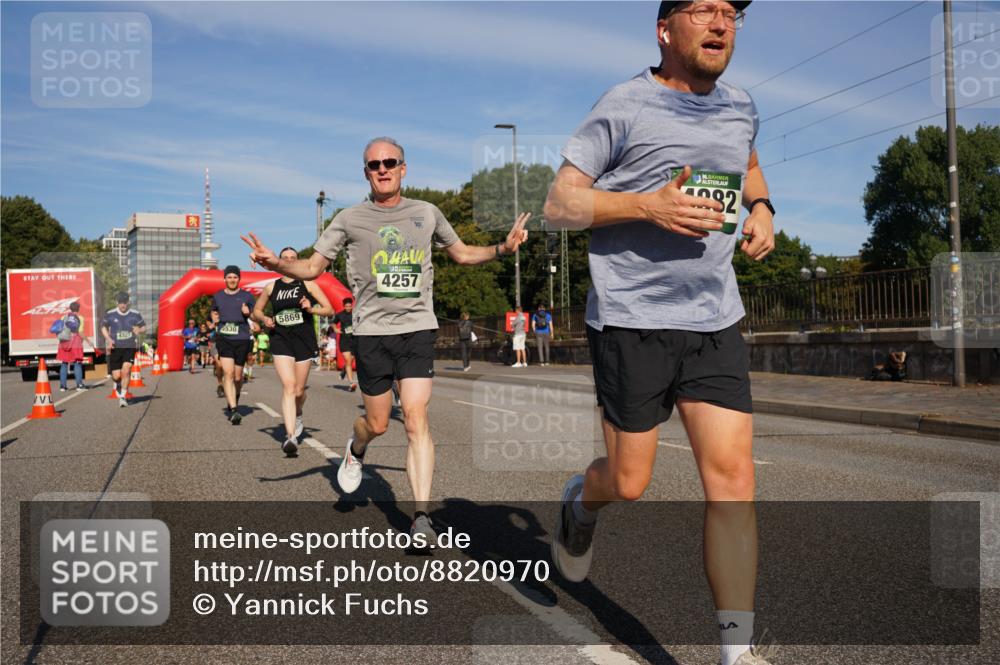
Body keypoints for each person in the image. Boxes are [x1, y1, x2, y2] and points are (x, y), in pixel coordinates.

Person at [543, 3, 777, 665]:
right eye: (703, 9)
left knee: (733, 477)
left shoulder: (740, 106)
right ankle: (580, 503)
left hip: (713, 319)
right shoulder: (624, 104)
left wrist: (761, 208)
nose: (721, 22)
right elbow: (560, 203)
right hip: (631, 320)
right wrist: (648, 203)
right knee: (630, 478)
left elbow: (749, 162)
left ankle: (737, 652)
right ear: (664, 28)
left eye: (731, 13)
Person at [242, 136, 529, 543]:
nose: (382, 169)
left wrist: (503, 247)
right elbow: (312, 266)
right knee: (376, 423)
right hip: (371, 334)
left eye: (389, 162)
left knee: (415, 418)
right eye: (374, 164)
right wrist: (276, 262)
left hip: (416, 329)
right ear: (366, 173)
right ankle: (356, 448)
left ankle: (422, 519)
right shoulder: (348, 218)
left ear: (403, 168)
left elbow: (462, 254)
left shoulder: (427, 213)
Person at [253, 246, 335, 455]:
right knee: (288, 387)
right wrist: (265, 319)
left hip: (303, 339)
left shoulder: (308, 283)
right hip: (281, 339)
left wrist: (310, 308)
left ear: (298, 262)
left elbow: (330, 309)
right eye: (285, 258)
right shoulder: (272, 287)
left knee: (299, 391)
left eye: (293, 258)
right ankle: (290, 437)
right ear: (278, 262)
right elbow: (256, 311)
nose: (289, 261)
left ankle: (298, 414)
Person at [211, 265, 257, 425]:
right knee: (228, 373)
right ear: (224, 279)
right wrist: (214, 317)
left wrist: (248, 313)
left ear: (239, 279)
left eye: (235, 277)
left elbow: (254, 314)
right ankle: (233, 409)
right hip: (224, 337)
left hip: (242, 338)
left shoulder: (247, 296)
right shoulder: (218, 296)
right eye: (229, 277)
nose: (232, 280)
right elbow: (213, 311)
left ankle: (234, 399)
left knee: (238, 377)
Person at [101, 292, 146, 407]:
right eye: (121, 303)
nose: (123, 305)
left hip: (129, 346)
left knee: (126, 370)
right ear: (117, 302)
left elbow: (144, 327)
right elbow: (103, 328)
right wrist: (109, 339)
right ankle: (119, 385)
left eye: (125, 303)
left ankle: (123, 397)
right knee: (116, 376)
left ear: (128, 302)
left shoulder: (135, 314)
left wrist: (139, 330)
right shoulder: (110, 314)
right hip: (116, 347)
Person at [56, 301, 86, 391]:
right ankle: (79, 385)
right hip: (75, 341)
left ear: (70, 308)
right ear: (78, 308)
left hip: (64, 341)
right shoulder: (80, 318)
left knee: (64, 363)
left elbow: (60, 329)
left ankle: (62, 386)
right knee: (77, 363)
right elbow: (80, 332)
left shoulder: (63, 317)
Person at [334, 297, 357, 391]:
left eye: (349, 306)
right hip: (344, 341)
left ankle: (344, 371)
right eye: (346, 306)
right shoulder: (340, 315)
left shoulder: (355, 314)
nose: (348, 308)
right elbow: (333, 323)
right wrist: (335, 329)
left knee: (350, 361)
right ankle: (351, 383)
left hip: (354, 341)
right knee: (348, 360)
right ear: (344, 306)